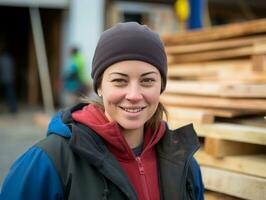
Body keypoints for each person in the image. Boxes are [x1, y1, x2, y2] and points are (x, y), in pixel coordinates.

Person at [0, 22, 204, 200]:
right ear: (99, 86)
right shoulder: (50, 161)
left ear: (161, 86)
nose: (134, 94)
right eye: (119, 81)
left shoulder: (183, 163)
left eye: (147, 80)